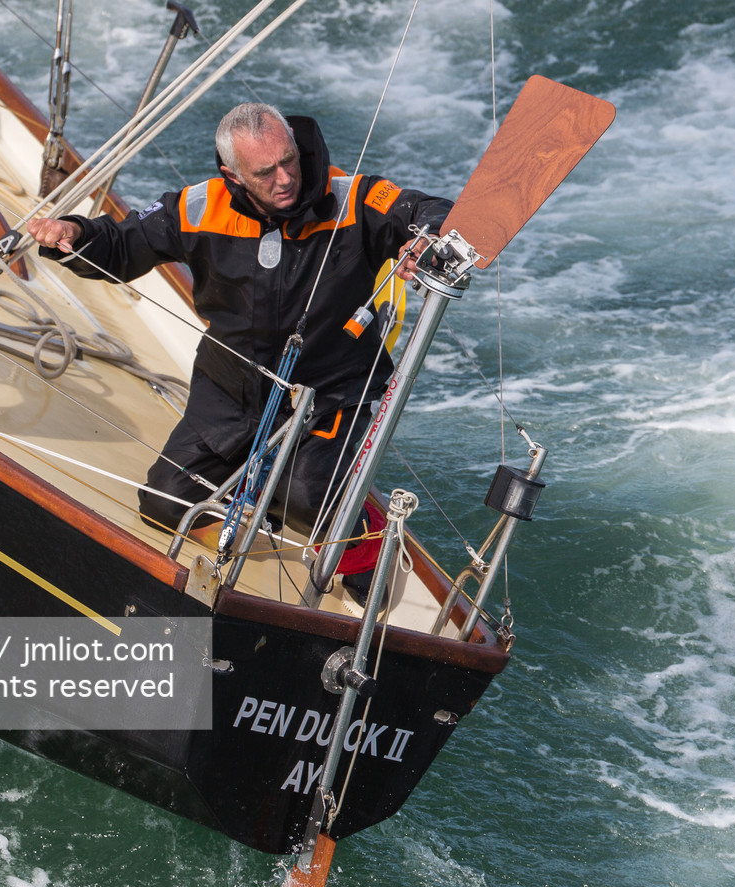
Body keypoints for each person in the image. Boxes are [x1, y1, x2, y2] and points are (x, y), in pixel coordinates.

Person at [27, 103, 450, 586]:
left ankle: (364, 535)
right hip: (231, 390)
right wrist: (75, 232)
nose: (286, 178)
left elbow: (425, 209)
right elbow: (124, 243)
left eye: (289, 160)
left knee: (304, 497)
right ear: (233, 174)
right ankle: (252, 505)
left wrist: (427, 237)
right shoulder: (198, 205)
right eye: (265, 172)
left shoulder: (354, 197)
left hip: (332, 392)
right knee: (165, 500)